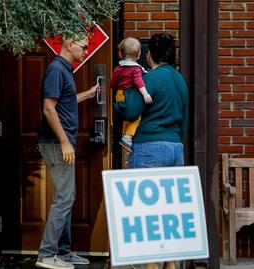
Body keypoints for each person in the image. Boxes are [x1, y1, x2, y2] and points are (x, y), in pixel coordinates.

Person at [113, 33, 188, 269]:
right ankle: (171, 264)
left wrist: (117, 101)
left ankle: (151, 265)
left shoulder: (153, 78)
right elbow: (184, 120)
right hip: (176, 147)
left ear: (148, 55)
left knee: (146, 214)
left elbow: (131, 110)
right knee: (169, 212)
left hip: (150, 148)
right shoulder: (180, 80)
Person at [36, 34, 100, 269]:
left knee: (67, 197)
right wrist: (64, 141)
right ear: (69, 44)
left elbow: (64, 101)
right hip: (56, 143)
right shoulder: (56, 69)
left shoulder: (64, 70)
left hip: (61, 142)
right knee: (64, 198)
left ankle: (62, 252)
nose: (85, 51)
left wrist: (88, 94)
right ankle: (47, 254)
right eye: (83, 47)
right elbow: (48, 107)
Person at [110, 37, 152, 153]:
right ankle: (128, 137)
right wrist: (145, 94)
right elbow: (139, 82)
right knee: (136, 117)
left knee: (126, 118)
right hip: (130, 95)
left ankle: (125, 138)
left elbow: (112, 83)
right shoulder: (136, 69)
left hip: (119, 95)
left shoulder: (118, 68)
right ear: (139, 55)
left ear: (120, 53)